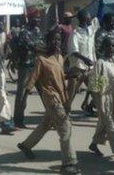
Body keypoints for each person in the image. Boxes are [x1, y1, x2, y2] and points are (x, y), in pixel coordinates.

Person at [17, 29, 80, 174]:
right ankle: (68, 163)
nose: (56, 42)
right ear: (47, 42)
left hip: (61, 97)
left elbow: (60, 76)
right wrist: (24, 98)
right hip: (51, 98)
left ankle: (26, 145)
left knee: (45, 124)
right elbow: (32, 78)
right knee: (65, 128)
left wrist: (70, 76)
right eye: (53, 40)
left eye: (58, 40)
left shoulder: (60, 58)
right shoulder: (41, 59)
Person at [68, 0, 104, 113]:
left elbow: (99, 16)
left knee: (97, 90)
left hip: (91, 67)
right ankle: (64, 115)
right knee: (71, 94)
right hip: (78, 68)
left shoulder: (91, 28)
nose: (91, 18)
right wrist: (84, 59)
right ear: (84, 19)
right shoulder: (75, 34)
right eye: (89, 16)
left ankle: (101, 113)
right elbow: (73, 51)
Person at [13, 8, 44, 128]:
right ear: (30, 19)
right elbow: (33, 46)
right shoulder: (24, 32)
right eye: (36, 18)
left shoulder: (37, 31)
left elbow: (42, 44)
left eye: (39, 18)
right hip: (26, 66)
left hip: (37, 65)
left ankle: (51, 118)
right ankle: (18, 120)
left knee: (45, 92)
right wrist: (43, 48)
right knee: (22, 95)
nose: (39, 20)